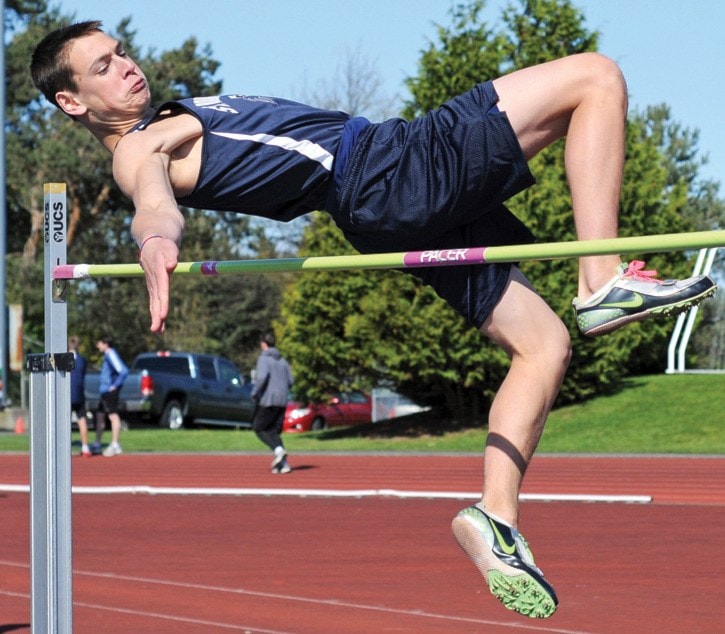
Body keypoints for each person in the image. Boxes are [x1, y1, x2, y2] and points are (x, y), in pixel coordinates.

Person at [31, 22, 717, 618]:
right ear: (71, 101)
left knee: (543, 343)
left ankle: (495, 517)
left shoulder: (165, 119)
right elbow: (151, 200)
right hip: (389, 167)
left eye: (120, 53)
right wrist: (156, 240)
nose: (126, 66)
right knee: (595, 77)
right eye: (102, 67)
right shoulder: (135, 148)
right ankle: (600, 278)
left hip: (381, 203)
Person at [251, 332, 294, 474]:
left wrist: (255, 392)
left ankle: (279, 450)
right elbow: (291, 381)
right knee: (274, 431)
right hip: (282, 400)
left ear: (263, 344)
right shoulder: (283, 361)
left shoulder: (264, 359)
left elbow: (262, 377)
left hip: (268, 400)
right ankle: (283, 464)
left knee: (259, 427)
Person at [93, 336, 129, 457]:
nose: (98, 346)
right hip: (104, 391)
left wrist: (115, 385)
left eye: (99, 343)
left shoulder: (111, 354)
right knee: (100, 416)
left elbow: (123, 371)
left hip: (110, 391)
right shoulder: (107, 356)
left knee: (113, 415)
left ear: (106, 344)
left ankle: (115, 444)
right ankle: (97, 443)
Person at [68, 335, 91, 457]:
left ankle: (65, 447)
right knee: (82, 421)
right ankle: (85, 447)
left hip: (67, 395)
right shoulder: (82, 360)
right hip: (79, 395)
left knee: (65, 423)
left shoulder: (64, 360)